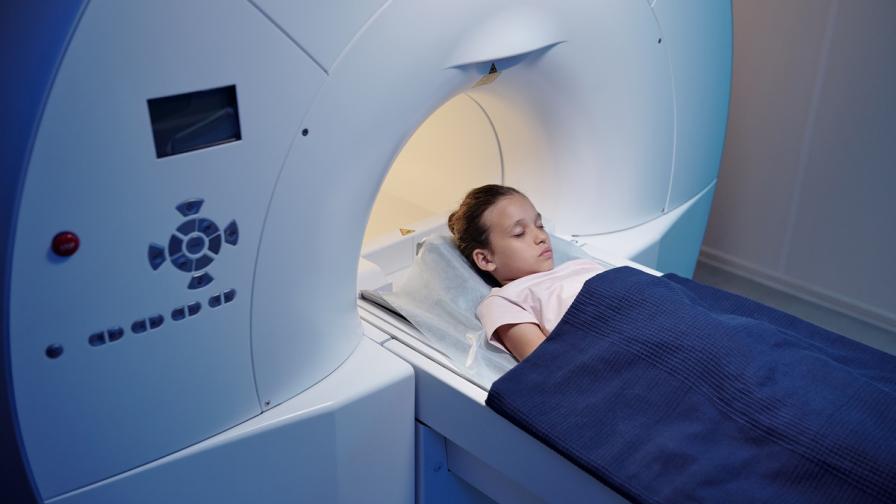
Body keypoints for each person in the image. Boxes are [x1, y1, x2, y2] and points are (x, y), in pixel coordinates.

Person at [448, 184, 608, 361]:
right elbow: (549, 363)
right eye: (519, 233)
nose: (542, 237)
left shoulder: (580, 266)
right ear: (486, 260)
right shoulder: (506, 300)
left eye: (540, 225)